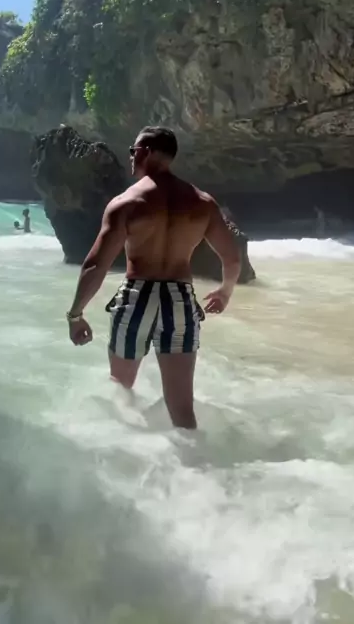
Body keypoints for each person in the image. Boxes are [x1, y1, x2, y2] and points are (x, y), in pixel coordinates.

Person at [67, 126, 241, 429]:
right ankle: (192, 457)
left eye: (133, 151)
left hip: (136, 298)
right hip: (179, 302)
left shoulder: (126, 203)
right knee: (182, 407)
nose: (130, 157)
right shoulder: (203, 203)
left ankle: (121, 448)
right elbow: (232, 258)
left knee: (120, 389)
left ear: (145, 152)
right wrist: (225, 292)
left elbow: (96, 265)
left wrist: (75, 314)